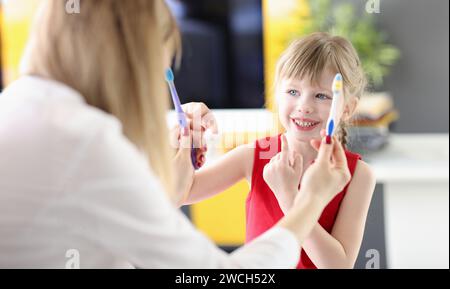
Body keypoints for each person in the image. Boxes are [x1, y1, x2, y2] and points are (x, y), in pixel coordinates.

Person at [0, 0, 351, 268]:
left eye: (320, 95)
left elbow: (141, 207)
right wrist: (308, 202)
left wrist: (173, 158)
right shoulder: (85, 142)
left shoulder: (19, 106)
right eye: (158, 67)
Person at [180, 32, 376, 269]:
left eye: (321, 96)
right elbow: (181, 193)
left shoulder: (358, 175)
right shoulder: (254, 156)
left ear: (347, 108)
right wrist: (185, 142)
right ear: (277, 95)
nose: (304, 106)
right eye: (293, 92)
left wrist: (289, 197)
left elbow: (338, 266)